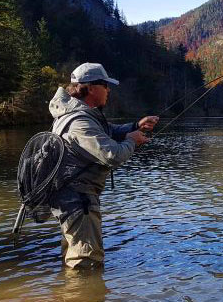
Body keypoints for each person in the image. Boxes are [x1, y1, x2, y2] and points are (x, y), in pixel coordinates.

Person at [48, 62, 159, 269]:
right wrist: (132, 140)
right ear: (90, 88)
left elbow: (107, 130)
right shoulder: (80, 121)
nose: (109, 90)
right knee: (86, 264)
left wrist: (135, 126)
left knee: (74, 257)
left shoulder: (79, 114)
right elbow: (112, 155)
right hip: (77, 201)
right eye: (105, 85)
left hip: (70, 198)